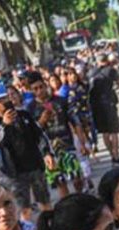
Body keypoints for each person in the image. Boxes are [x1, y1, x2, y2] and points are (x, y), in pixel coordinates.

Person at [0, 82, 55, 220]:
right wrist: (4, 124)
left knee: (45, 202)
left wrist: (47, 153)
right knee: (24, 208)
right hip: (13, 170)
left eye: (4, 98)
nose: (3, 102)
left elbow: (39, 135)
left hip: (34, 165)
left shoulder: (23, 114)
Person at [28, 71, 89, 200]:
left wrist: (83, 143)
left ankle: (81, 200)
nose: (39, 91)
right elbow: (32, 132)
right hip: (49, 150)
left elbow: (75, 122)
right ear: (31, 90)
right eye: (35, 89)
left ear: (45, 85)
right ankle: (68, 209)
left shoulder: (61, 101)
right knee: (60, 182)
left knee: (76, 178)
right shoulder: (31, 108)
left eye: (41, 87)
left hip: (67, 145)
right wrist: (42, 120)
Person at [90, 54, 119, 164]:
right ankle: (116, 156)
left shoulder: (92, 72)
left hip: (96, 106)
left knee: (104, 133)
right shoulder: (111, 71)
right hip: (109, 103)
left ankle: (111, 154)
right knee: (114, 131)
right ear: (106, 60)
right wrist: (112, 89)